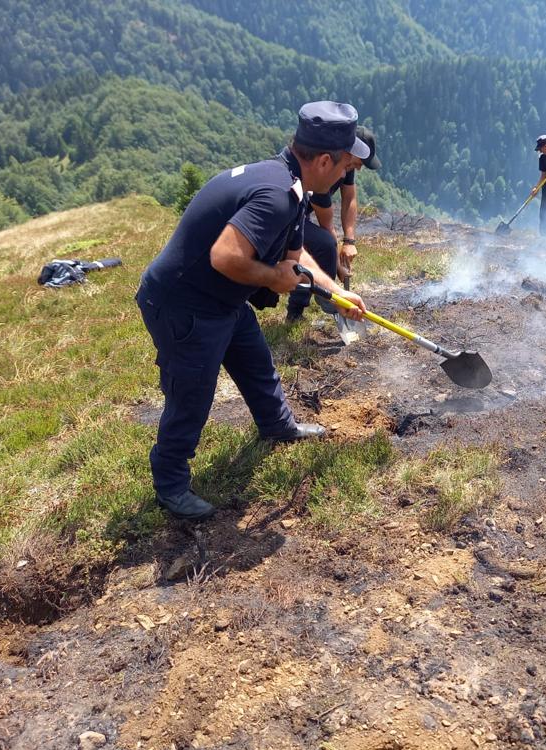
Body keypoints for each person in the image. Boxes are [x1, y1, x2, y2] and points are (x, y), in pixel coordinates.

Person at [135, 101, 370, 522]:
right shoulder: (278, 195)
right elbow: (226, 256)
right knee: (191, 394)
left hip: (222, 300)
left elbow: (297, 262)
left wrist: (334, 292)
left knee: (256, 361)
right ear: (321, 160)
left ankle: (278, 426)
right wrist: (271, 279)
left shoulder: (291, 185)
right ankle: (170, 484)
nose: (342, 177)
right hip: (183, 304)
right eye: (343, 166)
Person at [286, 125, 381, 322]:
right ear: (349, 152)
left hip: (301, 211)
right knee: (323, 246)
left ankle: (325, 293)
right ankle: (303, 307)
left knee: (323, 245)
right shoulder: (326, 169)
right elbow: (326, 224)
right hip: (287, 213)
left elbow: (350, 198)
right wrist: (337, 268)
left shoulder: (347, 167)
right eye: (360, 161)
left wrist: (349, 240)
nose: (360, 167)